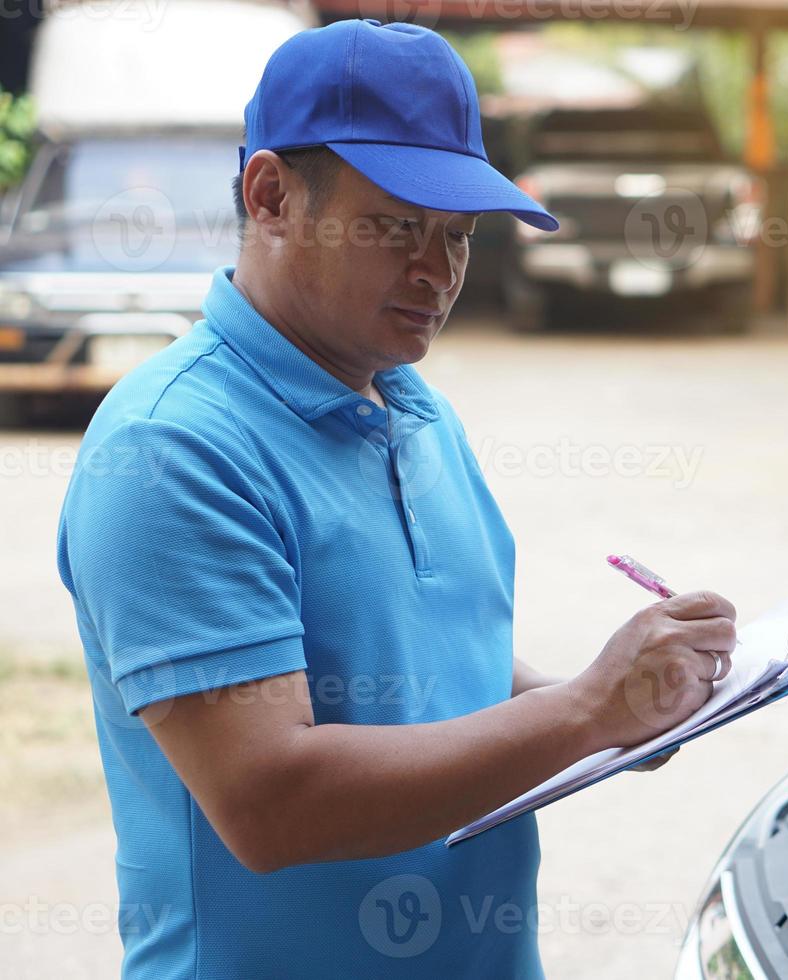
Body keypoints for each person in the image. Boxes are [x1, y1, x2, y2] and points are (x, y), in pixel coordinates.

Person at [55, 19, 735, 978]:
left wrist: (628, 717)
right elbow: (271, 799)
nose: (440, 270)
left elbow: (444, 666)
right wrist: (585, 712)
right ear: (271, 195)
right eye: (398, 225)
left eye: (458, 235)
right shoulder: (174, 450)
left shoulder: (412, 408)